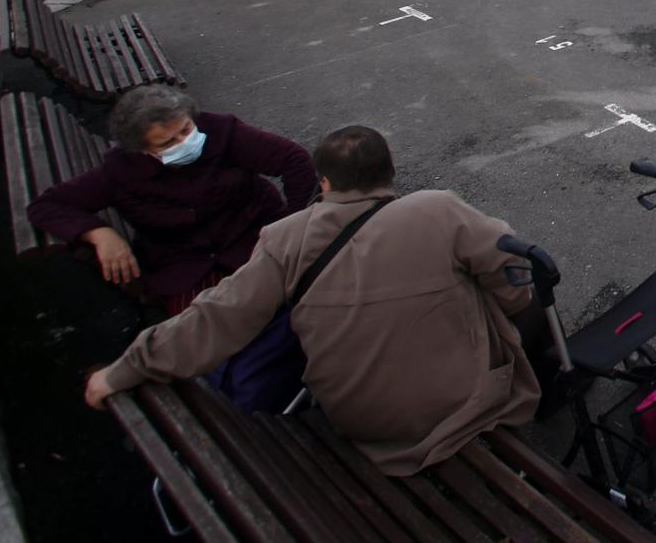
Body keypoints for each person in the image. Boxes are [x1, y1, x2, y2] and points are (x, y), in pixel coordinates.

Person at [84, 125, 541, 476]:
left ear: (323, 183)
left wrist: (125, 368)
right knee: (505, 295)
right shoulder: (436, 208)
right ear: (391, 172)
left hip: (365, 424)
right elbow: (513, 285)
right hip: (464, 403)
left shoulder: (283, 239)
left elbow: (215, 316)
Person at [29, 86, 317, 314]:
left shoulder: (221, 132)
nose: (184, 142)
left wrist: (294, 222)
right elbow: (47, 206)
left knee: (302, 302)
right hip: (186, 267)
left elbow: (293, 160)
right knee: (209, 328)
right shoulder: (120, 171)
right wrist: (98, 233)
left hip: (255, 240)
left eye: (186, 130)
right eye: (167, 143)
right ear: (141, 150)